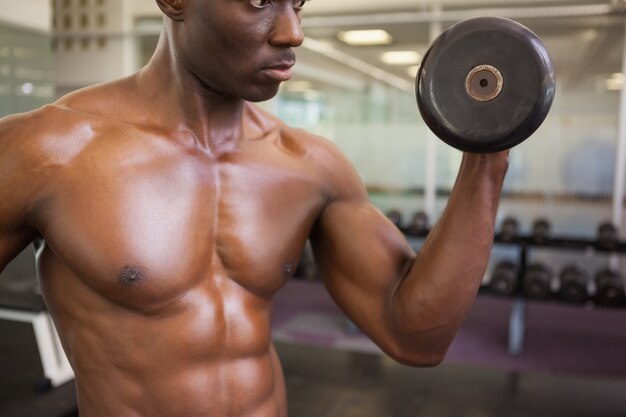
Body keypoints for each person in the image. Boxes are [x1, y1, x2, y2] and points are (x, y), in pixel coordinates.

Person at [0, 0, 509, 415]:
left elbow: (415, 338)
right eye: (261, 1)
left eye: (299, 4)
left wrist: (488, 152)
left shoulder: (309, 164)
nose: (292, 32)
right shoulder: (48, 150)